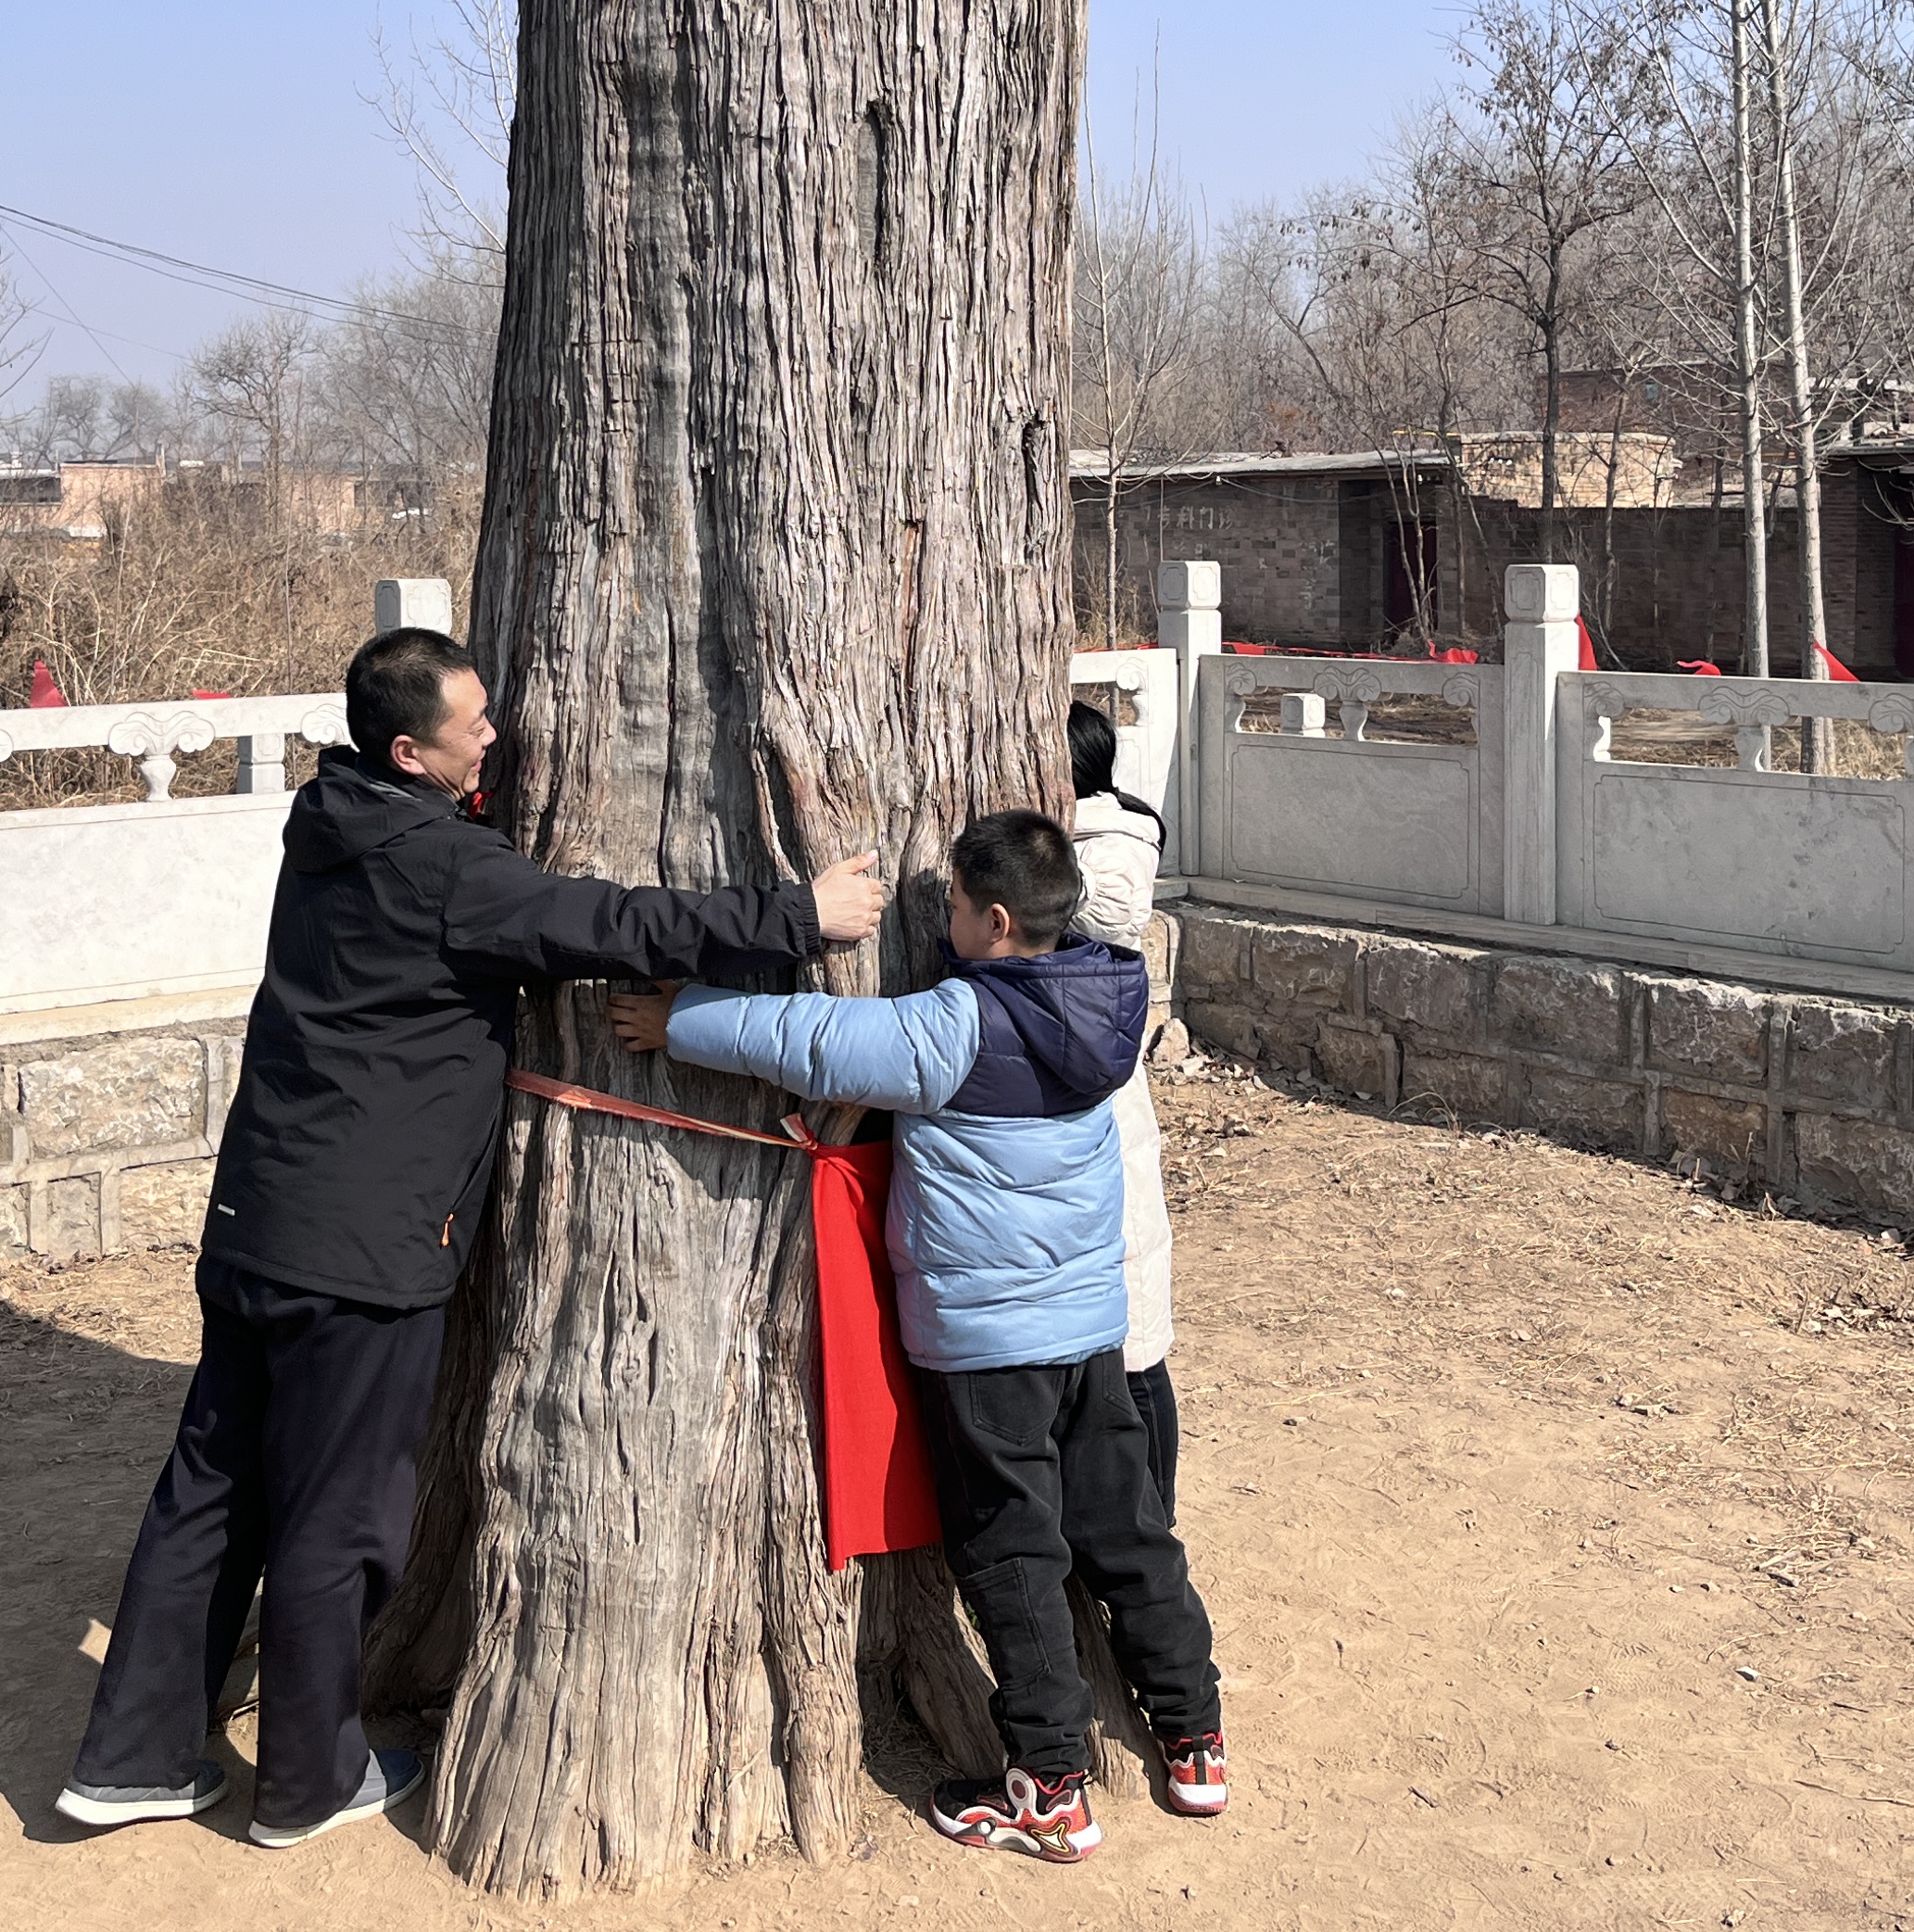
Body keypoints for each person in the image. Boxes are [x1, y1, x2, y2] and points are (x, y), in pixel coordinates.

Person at [59, 625, 888, 1848]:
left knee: (213, 1488)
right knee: (340, 1513)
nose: (496, 735)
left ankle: (133, 1757)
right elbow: (612, 924)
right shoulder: (445, 867)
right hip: (363, 1248)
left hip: (257, 1222)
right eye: (473, 725)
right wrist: (797, 914)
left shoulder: (329, 822)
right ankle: (307, 1782)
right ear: (410, 751)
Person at [612, 811, 1226, 1865]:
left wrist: (682, 1020)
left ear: (996, 921)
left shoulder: (959, 1025)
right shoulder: (1107, 1000)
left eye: (953, 906)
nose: (941, 923)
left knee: (1013, 1552)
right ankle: (1193, 1736)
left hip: (990, 1345)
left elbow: (812, 1040)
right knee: (1127, 1530)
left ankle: (1050, 1789)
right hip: (1090, 1329)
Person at [1065, 700, 1179, 1515]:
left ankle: (1157, 1515)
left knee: (1136, 1341)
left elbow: (1113, 913)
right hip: (1056, 1119)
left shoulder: (1115, 841)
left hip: (1109, 1113)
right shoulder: (1083, 836)